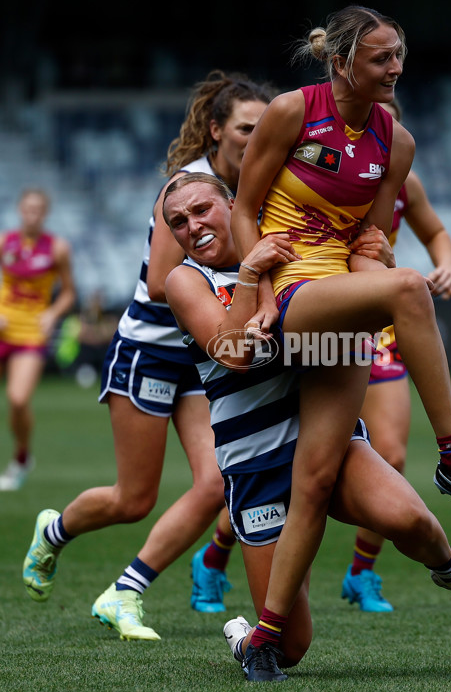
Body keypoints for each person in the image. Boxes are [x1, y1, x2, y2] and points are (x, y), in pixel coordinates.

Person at [228, 4, 451, 661]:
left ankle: (262, 639)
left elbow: (371, 243)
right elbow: (245, 210)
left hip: (338, 313)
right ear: (340, 62)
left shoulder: (397, 144)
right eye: (381, 57)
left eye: (399, 54)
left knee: (316, 480)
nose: (396, 68)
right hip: (289, 292)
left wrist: (373, 275)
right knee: (408, 287)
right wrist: (256, 291)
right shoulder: (292, 111)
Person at [160, 173, 451, 682]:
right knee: (289, 648)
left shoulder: (286, 247)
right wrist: (249, 275)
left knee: (411, 522)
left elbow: (353, 312)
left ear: (233, 204)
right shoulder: (185, 280)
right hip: (255, 464)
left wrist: (378, 262)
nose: (192, 226)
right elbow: (234, 353)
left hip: (327, 438)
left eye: (202, 210)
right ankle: (245, 635)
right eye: (178, 221)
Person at [22, 71, 274, 639]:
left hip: (200, 356)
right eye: (245, 129)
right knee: (133, 498)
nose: (257, 139)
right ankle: (55, 530)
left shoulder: (256, 184)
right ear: (216, 130)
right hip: (151, 350)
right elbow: (164, 282)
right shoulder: (188, 189)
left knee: (218, 484)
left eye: (266, 129)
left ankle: (125, 591)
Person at [341, 97, 451, 612]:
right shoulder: (313, 165)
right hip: (315, 313)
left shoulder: (403, 181)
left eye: (389, 116)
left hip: (377, 324)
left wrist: (445, 263)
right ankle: (214, 559)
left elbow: (433, 229)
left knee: (390, 454)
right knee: (283, 455)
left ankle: (361, 574)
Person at [0, 188, 76, 490]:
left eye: (37, 209)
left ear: (44, 213)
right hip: (3, 328)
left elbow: (69, 292)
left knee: (18, 399)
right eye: (27, 208)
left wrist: (52, 314)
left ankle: (21, 457)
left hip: (31, 332)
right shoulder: (5, 242)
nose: (32, 214)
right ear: (20, 209)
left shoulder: (57, 248)